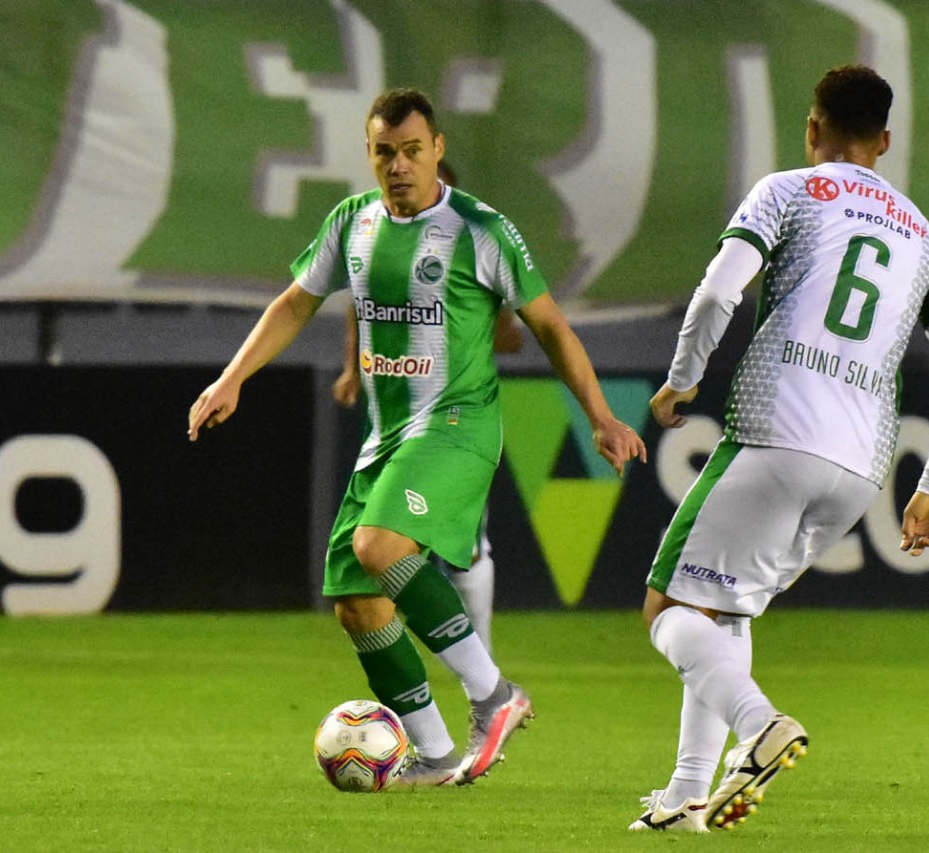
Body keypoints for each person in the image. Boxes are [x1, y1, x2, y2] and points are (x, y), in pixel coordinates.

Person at [189, 87, 646, 786]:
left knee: (378, 546)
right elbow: (293, 302)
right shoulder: (353, 222)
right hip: (389, 436)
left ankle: (494, 693)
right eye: (384, 153)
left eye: (411, 150)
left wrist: (599, 415)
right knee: (356, 599)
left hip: (460, 422)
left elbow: (550, 324)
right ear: (369, 155)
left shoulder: (480, 228)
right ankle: (433, 753)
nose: (398, 165)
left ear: (437, 150)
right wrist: (232, 379)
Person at [629, 64, 929, 832]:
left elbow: (721, 289)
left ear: (812, 127)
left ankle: (758, 724)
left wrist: (681, 380)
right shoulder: (924, 235)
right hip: (861, 467)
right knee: (722, 604)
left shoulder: (789, 189)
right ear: (884, 141)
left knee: (667, 605)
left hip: (774, 430)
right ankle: (689, 795)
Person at [332, 159, 520, 653]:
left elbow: (513, 336)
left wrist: (466, 322)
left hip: (456, 422)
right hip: (393, 418)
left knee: (464, 549)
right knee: (386, 546)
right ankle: (465, 665)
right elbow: (359, 305)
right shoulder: (376, 243)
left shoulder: (476, 245)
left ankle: (481, 661)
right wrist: (353, 368)